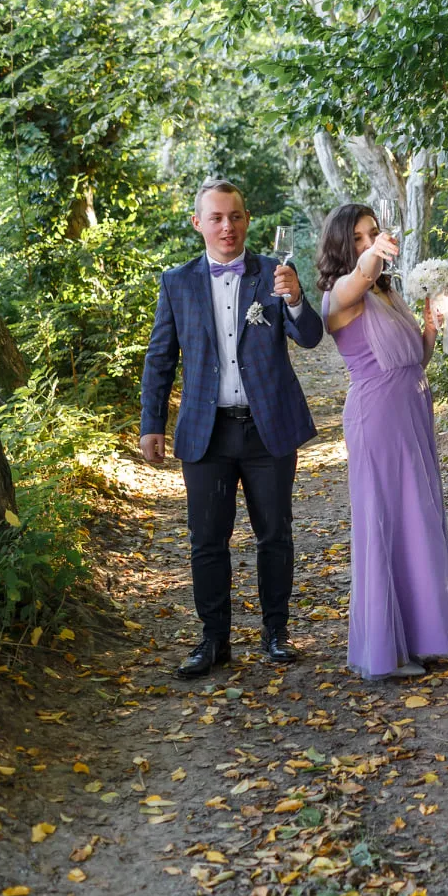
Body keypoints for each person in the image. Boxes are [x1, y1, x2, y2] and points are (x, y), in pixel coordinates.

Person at [140, 179, 324, 678]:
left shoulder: (274, 273)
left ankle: (276, 632)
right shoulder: (176, 282)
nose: (228, 226)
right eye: (217, 218)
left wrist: (295, 299)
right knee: (206, 539)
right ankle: (214, 639)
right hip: (206, 432)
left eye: (236, 216)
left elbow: (310, 337)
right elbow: (160, 357)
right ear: (197, 223)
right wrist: (152, 423)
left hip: (268, 429)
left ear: (247, 220)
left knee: (275, 534)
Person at [316, 203, 448, 680]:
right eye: (358, 237)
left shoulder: (387, 293)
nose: (368, 242)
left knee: (419, 520)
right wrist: (373, 254)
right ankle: (384, 650)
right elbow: (360, 273)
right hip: (376, 417)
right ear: (343, 246)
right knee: (385, 523)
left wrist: (431, 325)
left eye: (373, 233)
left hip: (412, 410)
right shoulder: (342, 292)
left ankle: (420, 638)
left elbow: (415, 357)